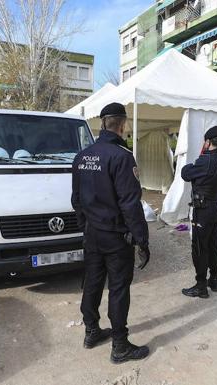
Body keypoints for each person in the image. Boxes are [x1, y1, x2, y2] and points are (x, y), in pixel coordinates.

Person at [71, 102, 151, 364]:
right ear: (122, 125)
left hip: (93, 233)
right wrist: (141, 239)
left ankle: (91, 331)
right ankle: (119, 345)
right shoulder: (122, 156)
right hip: (115, 236)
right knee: (118, 288)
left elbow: (76, 200)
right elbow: (130, 203)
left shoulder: (82, 157)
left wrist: (86, 226)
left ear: (103, 123)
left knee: (93, 282)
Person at [180, 126, 217, 298]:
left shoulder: (205, 160)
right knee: (213, 243)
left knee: (200, 247)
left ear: (209, 142)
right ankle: (214, 280)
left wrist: (193, 163)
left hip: (204, 209)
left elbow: (185, 174)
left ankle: (201, 286)